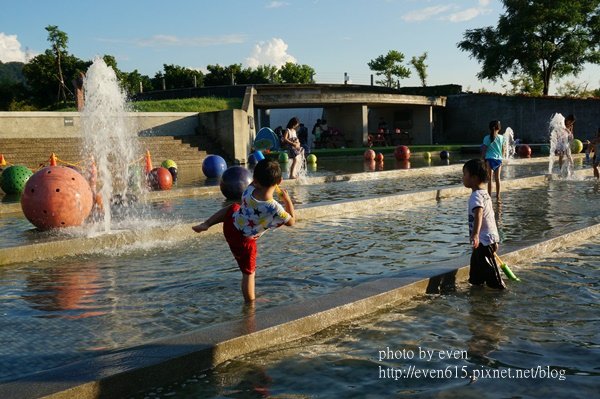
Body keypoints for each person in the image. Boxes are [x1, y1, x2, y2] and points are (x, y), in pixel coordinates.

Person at [192, 159, 296, 302]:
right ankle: (250, 304)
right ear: (280, 181)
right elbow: (291, 221)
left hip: (230, 224)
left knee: (233, 207)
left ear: (255, 180)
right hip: (243, 241)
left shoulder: (249, 190)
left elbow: (258, 182)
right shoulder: (276, 208)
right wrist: (287, 200)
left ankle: (207, 223)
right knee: (249, 273)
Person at [462, 159, 506, 290]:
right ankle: (476, 283)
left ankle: (499, 288)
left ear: (474, 178)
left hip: (483, 241)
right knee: (476, 266)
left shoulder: (476, 196)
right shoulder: (484, 193)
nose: (463, 178)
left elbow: (479, 214)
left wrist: (475, 234)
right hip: (488, 239)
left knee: (489, 269)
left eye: (465, 174)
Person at [481, 120, 506, 198]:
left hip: (489, 160)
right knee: (498, 179)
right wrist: (502, 158)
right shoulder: (502, 137)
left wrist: (482, 159)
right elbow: (503, 150)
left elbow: (484, 150)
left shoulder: (486, 138)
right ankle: (498, 196)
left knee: (490, 180)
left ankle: (489, 196)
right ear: (499, 128)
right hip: (498, 160)